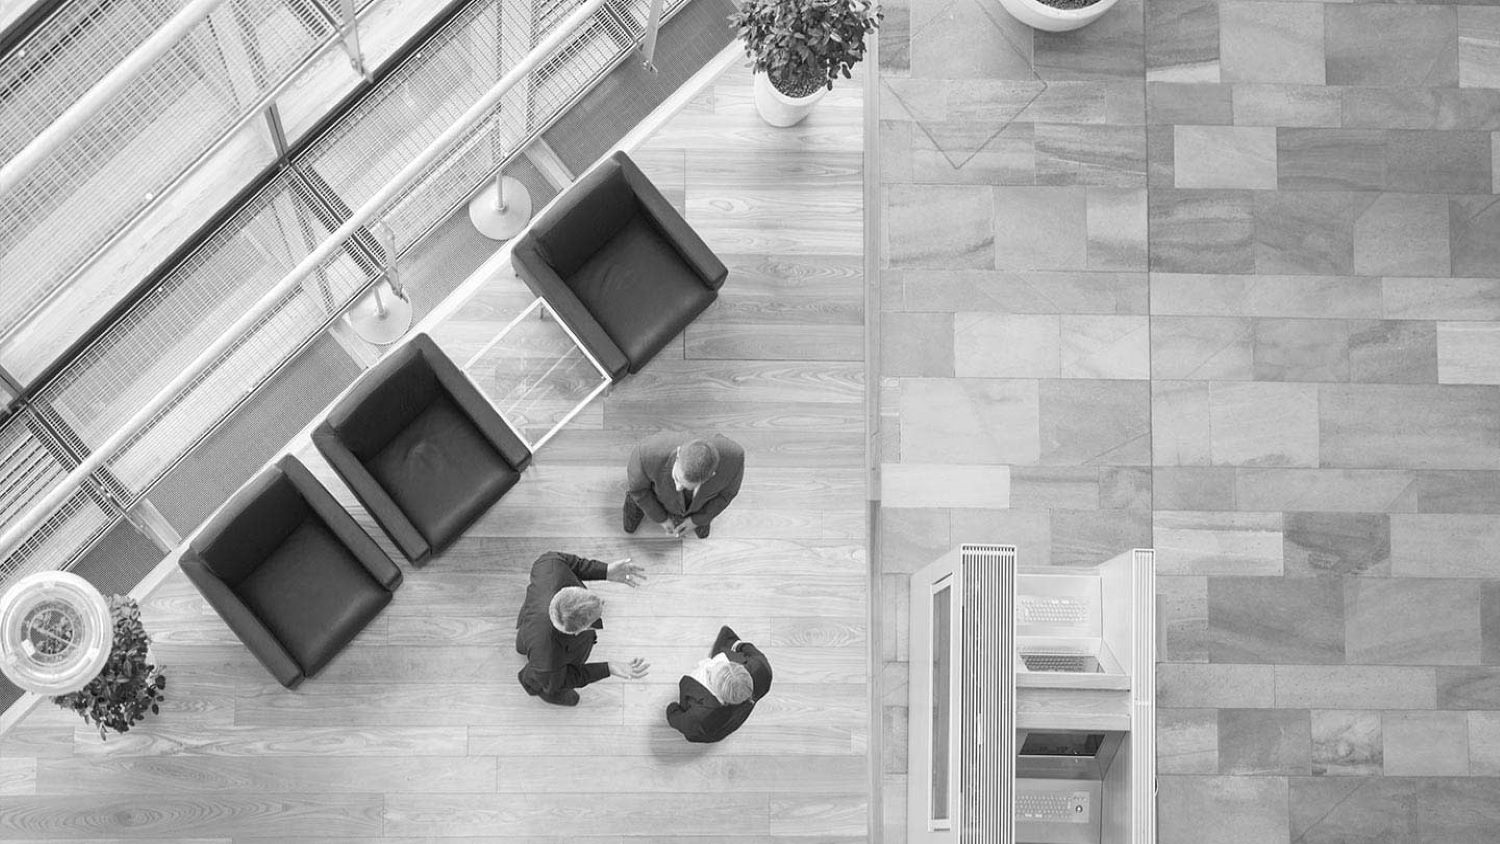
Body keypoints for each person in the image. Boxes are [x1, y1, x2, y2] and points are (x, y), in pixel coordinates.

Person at [515, 551, 649, 706]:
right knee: (549, 683)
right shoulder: (549, 659)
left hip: (532, 618)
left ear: (570, 590)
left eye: (596, 599)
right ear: (578, 632)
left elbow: (573, 563)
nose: (603, 602)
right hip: (548, 670)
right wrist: (608, 668)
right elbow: (566, 678)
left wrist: (605, 571)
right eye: (597, 616)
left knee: (525, 641)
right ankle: (542, 691)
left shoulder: (548, 564)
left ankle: (522, 644)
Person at [623, 433, 744, 539]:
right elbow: (638, 491)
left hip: (699, 504)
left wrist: (696, 521)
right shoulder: (645, 454)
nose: (678, 488)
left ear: (711, 476)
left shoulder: (735, 459)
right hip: (654, 493)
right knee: (634, 504)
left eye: (688, 486)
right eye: (677, 478)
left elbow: (726, 495)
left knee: (703, 527)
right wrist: (661, 518)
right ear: (678, 453)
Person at [665, 624, 773, 743]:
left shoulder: (699, 718)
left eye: (709, 676)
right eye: (719, 664)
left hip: (706, 731)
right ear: (737, 666)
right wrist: (737, 646)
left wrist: (672, 709)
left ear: (720, 696)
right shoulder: (762, 668)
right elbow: (746, 647)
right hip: (735, 717)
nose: (707, 667)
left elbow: (677, 720)